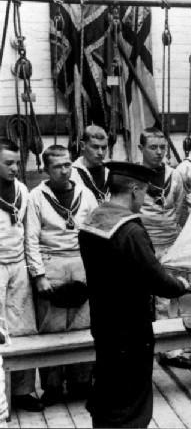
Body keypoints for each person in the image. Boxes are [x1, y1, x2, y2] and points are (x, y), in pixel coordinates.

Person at [79, 161, 188, 428]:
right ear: (135, 190)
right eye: (145, 193)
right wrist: (181, 284)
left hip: (103, 324)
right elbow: (158, 281)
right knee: (131, 401)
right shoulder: (130, 230)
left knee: (107, 389)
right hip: (130, 329)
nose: (144, 200)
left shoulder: (92, 221)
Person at [25, 145, 99, 405]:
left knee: (82, 324)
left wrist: (95, 270)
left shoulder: (85, 194)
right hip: (51, 263)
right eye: (58, 166)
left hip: (80, 262)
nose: (65, 170)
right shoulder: (36, 197)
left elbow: (95, 233)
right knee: (52, 327)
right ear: (46, 169)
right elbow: (30, 239)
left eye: (68, 164)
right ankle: (53, 387)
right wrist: (39, 276)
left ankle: (81, 382)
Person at [136, 128, 191, 369]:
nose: (159, 152)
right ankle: (142, 349)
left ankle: (171, 350)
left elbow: (178, 209)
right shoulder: (134, 177)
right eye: (153, 147)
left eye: (162, 148)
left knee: (169, 299)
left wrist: (170, 233)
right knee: (140, 300)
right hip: (143, 246)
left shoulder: (175, 176)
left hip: (170, 243)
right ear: (141, 149)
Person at [0, 138, 42, 412]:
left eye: (18, 162)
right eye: (8, 163)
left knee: (24, 328)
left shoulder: (22, 191)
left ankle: (24, 391)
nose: (15, 167)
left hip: (18, 267)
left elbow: (28, 234)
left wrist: (32, 269)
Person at [71, 125, 109, 203]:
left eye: (104, 148)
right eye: (95, 147)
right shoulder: (72, 174)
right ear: (82, 145)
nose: (100, 153)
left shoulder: (111, 171)